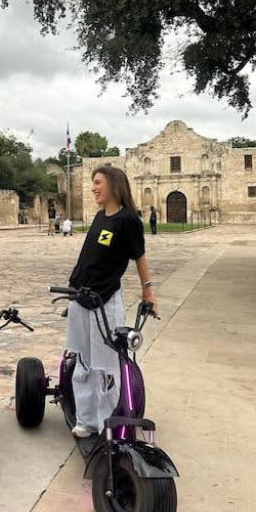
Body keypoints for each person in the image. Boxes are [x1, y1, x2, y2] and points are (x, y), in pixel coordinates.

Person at [65, 166, 158, 437]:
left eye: (98, 183)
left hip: (105, 299)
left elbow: (139, 257)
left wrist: (148, 292)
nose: (93, 188)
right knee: (83, 363)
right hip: (80, 296)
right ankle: (85, 419)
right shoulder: (98, 217)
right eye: (93, 183)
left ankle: (107, 421)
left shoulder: (128, 220)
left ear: (114, 184)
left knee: (105, 366)